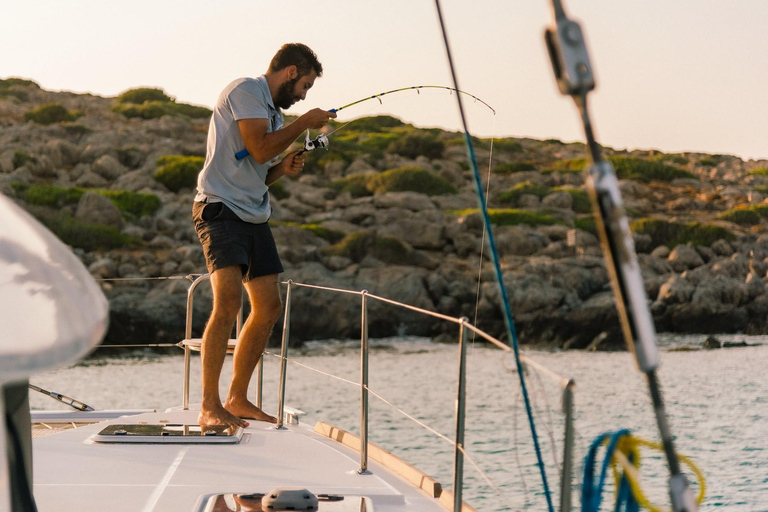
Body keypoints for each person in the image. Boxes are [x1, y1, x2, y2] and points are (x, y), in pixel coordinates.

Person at [192, 43, 336, 430]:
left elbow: (261, 168)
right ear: (290, 72)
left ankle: (236, 397)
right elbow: (257, 150)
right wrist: (304, 122)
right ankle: (209, 404)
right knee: (228, 302)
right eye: (305, 85)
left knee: (268, 307)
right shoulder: (245, 91)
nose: (304, 95)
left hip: (254, 214)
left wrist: (282, 170)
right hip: (220, 208)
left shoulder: (272, 113)